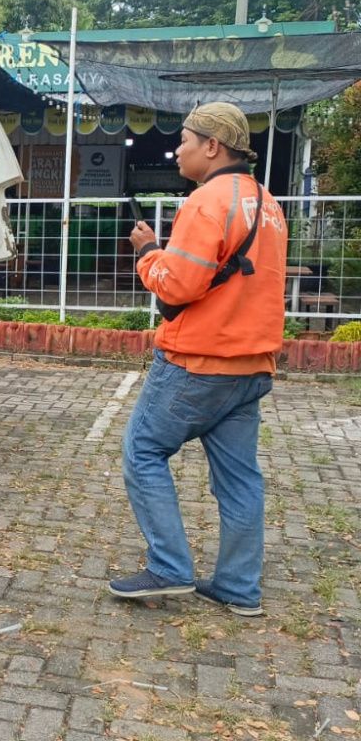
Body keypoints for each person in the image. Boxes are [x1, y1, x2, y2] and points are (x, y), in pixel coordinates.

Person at [109, 102, 288, 617]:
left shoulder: (207, 202)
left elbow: (178, 287)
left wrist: (147, 253)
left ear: (212, 146)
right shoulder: (267, 203)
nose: (177, 149)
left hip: (198, 363)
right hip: (252, 364)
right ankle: (238, 586)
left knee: (142, 450)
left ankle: (169, 567)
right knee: (240, 478)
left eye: (184, 140)